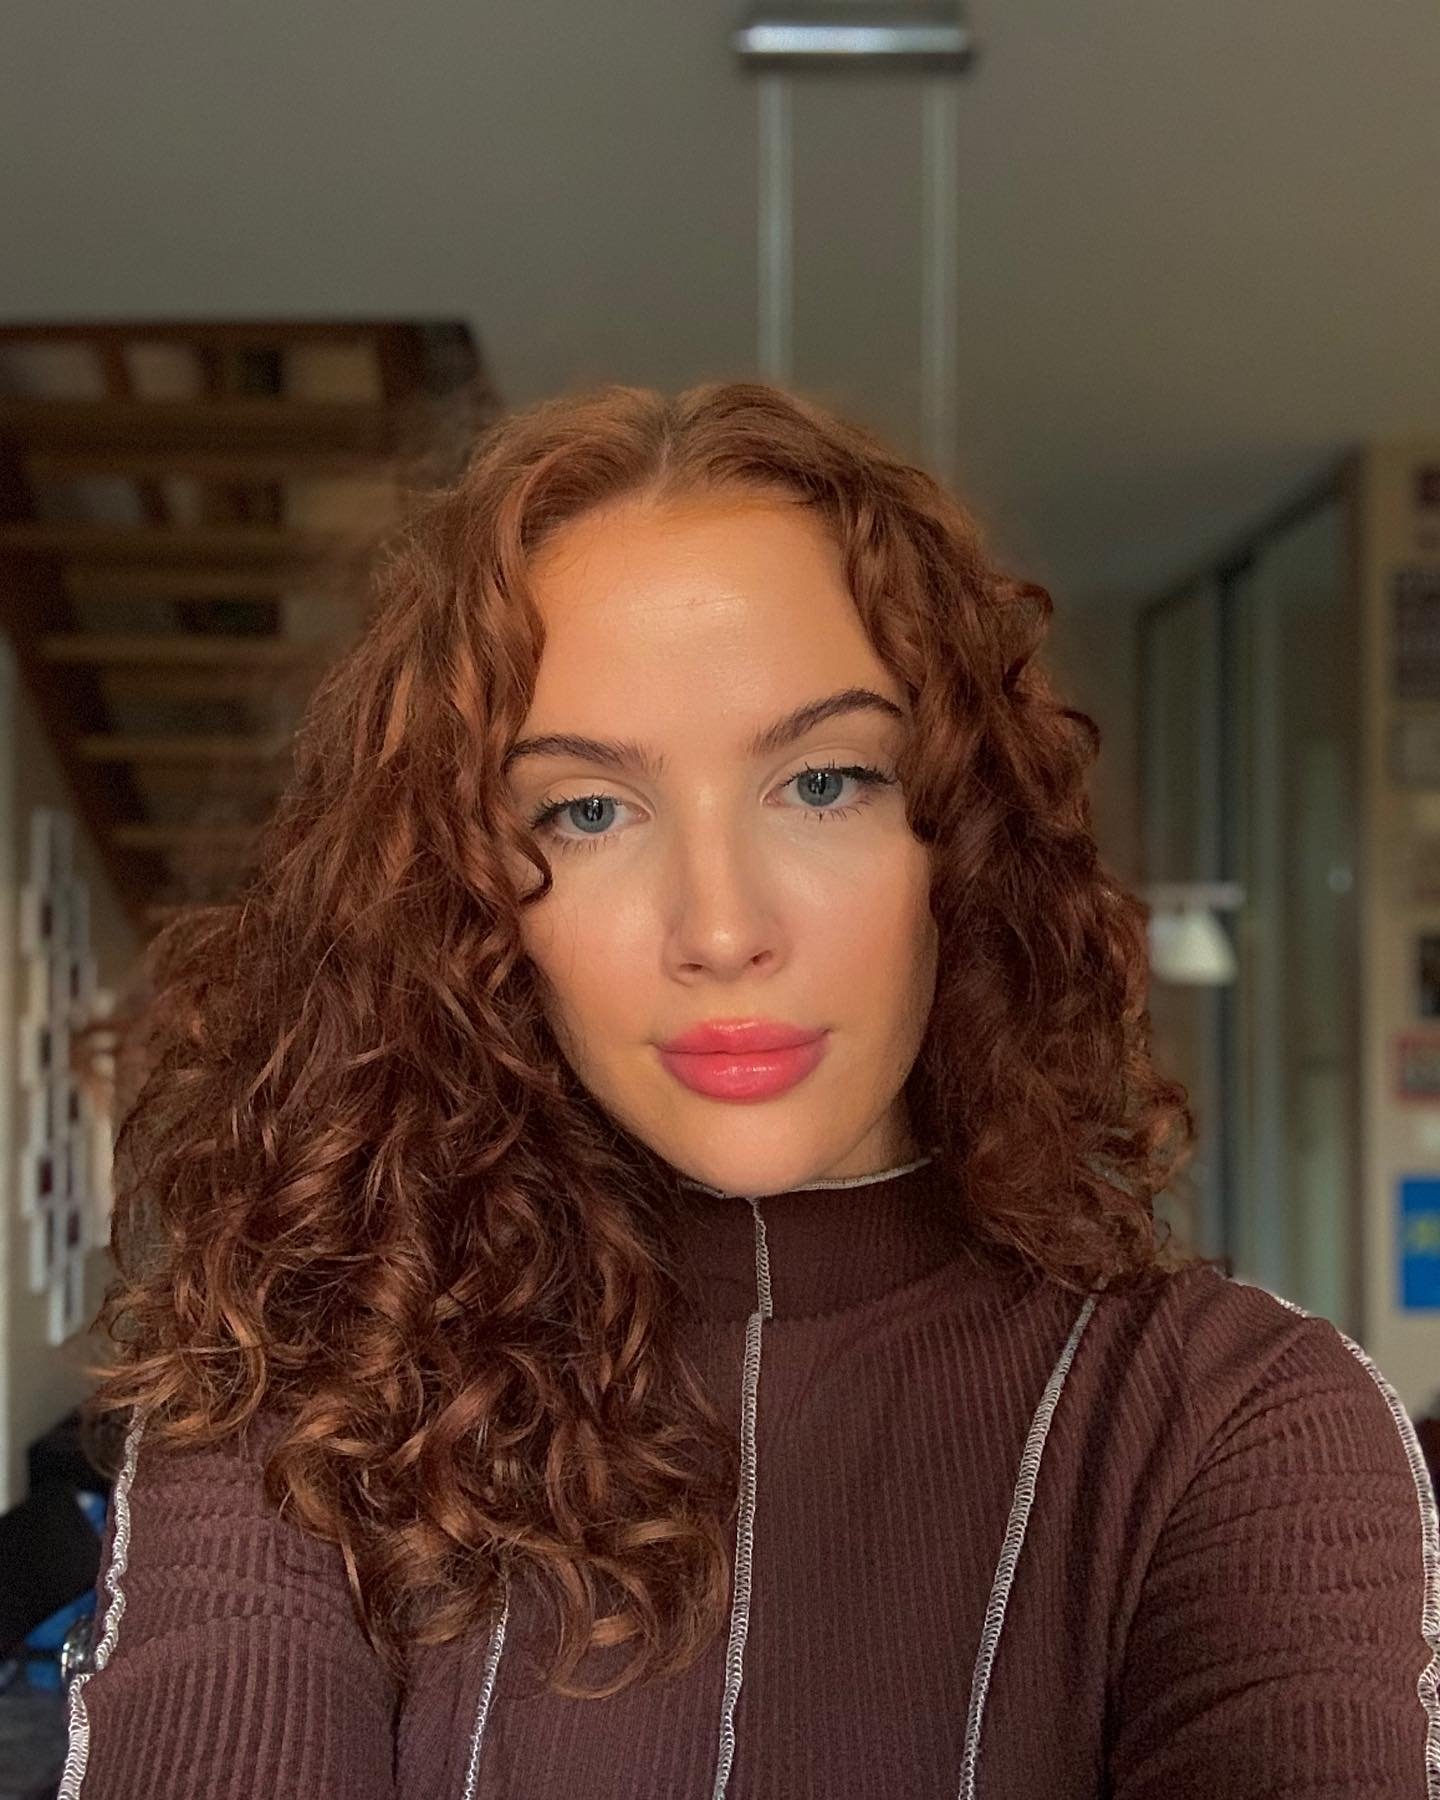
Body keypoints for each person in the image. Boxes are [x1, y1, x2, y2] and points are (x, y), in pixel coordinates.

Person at [59, 381, 1438, 1799]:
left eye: (824, 783)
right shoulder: (301, 1406)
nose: (721, 928)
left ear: (960, 838)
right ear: (462, 900)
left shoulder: (1228, 1422)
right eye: (588, 810)